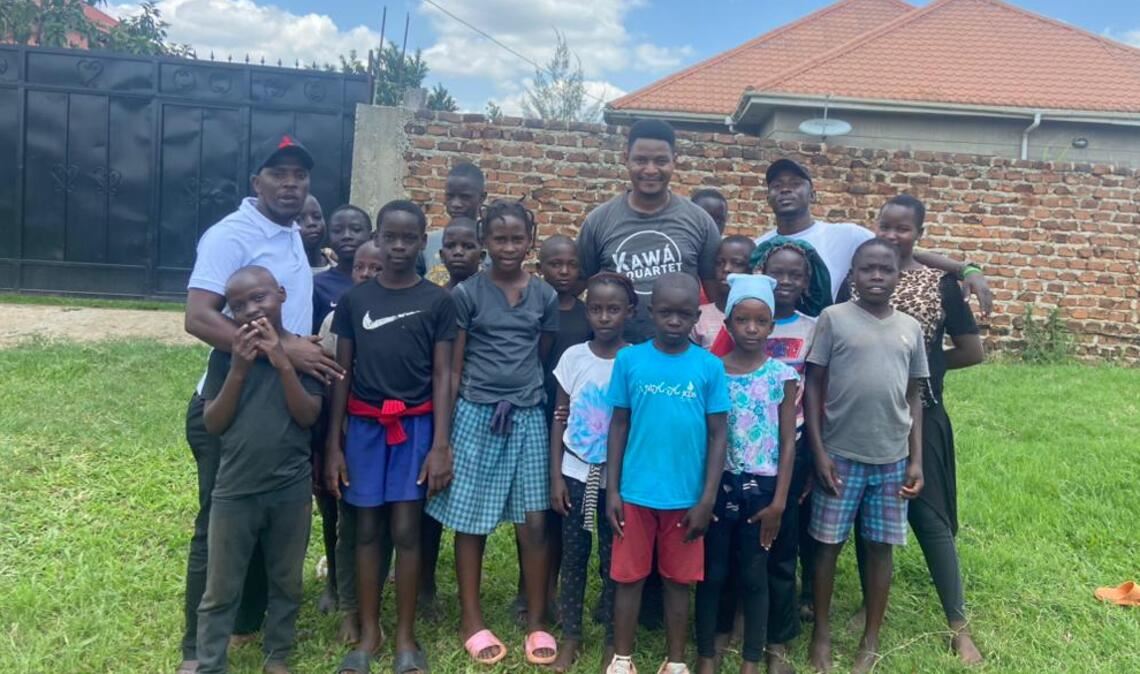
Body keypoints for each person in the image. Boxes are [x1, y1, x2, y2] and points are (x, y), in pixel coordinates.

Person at [179, 134, 342, 674]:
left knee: (270, 519)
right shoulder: (233, 234)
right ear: (257, 184)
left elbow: (288, 313)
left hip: (285, 404)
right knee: (219, 524)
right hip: (232, 403)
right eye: (279, 174)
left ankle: (250, 624)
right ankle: (195, 650)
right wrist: (285, 350)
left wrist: (291, 353)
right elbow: (199, 316)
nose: (291, 184)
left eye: (300, 175)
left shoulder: (290, 233)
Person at [845, 195, 986, 665]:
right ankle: (871, 605)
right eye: (885, 224)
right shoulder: (857, 279)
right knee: (872, 522)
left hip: (921, 414)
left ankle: (959, 624)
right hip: (864, 422)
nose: (892, 234)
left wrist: (918, 370)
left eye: (903, 228)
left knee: (930, 518)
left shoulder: (940, 285)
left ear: (918, 233)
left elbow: (972, 351)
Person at [425, 200, 560, 667]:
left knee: (535, 522)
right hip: (477, 416)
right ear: (484, 241)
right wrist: (444, 441)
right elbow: (455, 368)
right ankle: (471, 618)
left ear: (530, 240)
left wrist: (520, 392)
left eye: (517, 239)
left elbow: (539, 355)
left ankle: (538, 618)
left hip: (525, 416)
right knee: (471, 521)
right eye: (499, 239)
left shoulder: (543, 295)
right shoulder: (466, 295)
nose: (508, 247)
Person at [325, 200, 457, 674]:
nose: (399, 246)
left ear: (424, 242)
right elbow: (343, 373)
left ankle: (405, 636)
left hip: (416, 428)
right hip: (362, 429)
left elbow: (444, 375)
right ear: (378, 238)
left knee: (405, 529)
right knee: (365, 530)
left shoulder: (437, 301)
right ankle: (368, 632)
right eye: (390, 237)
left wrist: (441, 444)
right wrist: (334, 446)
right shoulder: (358, 301)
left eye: (409, 238)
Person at [803, 238, 929, 674]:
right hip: (840, 456)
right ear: (852, 275)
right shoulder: (833, 319)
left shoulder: (910, 328)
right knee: (827, 547)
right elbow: (813, 387)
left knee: (880, 549)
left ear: (898, 275)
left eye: (886, 269)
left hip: (892, 459)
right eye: (867, 269)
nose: (877, 276)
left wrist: (916, 461)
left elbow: (914, 396)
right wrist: (819, 453)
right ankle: (821, 634)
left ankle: (870, 638)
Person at [196, 265, 325, 674]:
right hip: (235, 489)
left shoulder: (307, 352)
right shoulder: (224, 357)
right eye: (237, 306)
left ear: (282, 295)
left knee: (286, 580)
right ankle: (211, 661)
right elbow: (213, 423)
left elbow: (308, 416)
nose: (251, 310)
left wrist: (283, 360)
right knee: (221, 587)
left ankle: (278, 654)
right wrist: (239, 368)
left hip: (290, 488)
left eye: (260, 298)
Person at [605, 273, 729, 674]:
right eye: (665, 313)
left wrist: (707, 497)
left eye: (683, 314)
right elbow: (619, 424)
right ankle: (622, 658)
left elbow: (718, 435)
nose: (674, 321)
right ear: (649, 312)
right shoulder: (629, 360)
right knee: (629, 578)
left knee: (679, 581)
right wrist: (612, 490)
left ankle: (675, 661)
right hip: (634, 493)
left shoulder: (709, 367)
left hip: (687, 498)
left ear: (696, 316)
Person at [695, 274, 798, 674]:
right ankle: (707, 654)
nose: (751, 329)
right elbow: (703, 438)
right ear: (728, 324)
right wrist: (702, 496)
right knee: (714, 572)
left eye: (760, 321)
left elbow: (789, 442)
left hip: (765, 490)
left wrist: (779, 503)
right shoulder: (711, 371)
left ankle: (751, 660)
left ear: (772, 326)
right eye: (742, 320)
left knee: (756, 575)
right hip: (718, 486)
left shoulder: (782, 376)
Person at [756, 158, 993, 314]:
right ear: (767, 196)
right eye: (776, 185)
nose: (785, 189)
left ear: (813, 195)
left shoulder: (846, 235)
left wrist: (966, 270)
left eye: (796, 183)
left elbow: (903, 253)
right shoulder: (759, 247)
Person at [548, 272, 637, 673]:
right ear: (587, 312)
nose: (604, 317)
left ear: (630, 313)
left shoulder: (636, 360)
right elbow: (558, 417)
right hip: (575, 475)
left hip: (619, 481)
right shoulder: (573, 358)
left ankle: (610, 640)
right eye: (596, 309)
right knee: (574, 556)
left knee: (613, 559)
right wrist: (555, 476)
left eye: (613, 309)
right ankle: (571, 635)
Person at [752, 238, 828, 673]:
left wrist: (816, 454)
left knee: (782, 546)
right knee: (743, 541)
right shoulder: (740, 321)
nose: (784, 281)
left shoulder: (812, 327)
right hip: (741, 447)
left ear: (806, 282)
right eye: (776, 272)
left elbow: (819, 392)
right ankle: (741, 619)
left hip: (791, 446)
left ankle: (778, 641)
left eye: (794, 275)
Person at [578, 119, 721, 344]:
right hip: (615, 354)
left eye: (661, 161)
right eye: (641, 160)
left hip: (679, 356)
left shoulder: (699, 222)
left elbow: (715, 297)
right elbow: (581, 286)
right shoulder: (599, 221)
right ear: (626, 159)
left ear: (674, 161)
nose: (651, 170)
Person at [419, 164, 488, 611]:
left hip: (477, 402)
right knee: (431, 489)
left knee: (465, 495)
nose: (458, 202)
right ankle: (423, 581)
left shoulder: (491, 271)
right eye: (451, 195)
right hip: (435, 395)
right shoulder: (434, 265)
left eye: (466, 196)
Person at [310, 204, 375, 631]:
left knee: (364, 511)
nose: (348, 236)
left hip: (374, 424)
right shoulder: (326, 295)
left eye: (358, 229)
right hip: (333, 415)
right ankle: (334, 578)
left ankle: (364, 581)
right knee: (331, 504)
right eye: (341, 229)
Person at [692, 235, 756, 355]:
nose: (726, 269)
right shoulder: (699, 317)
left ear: (752, 270)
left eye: (737, 263)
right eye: (719, 263)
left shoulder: (760, 318)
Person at [431, 216, 483, 288]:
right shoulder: (435, 297)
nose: (458, 252)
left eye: (468, 246)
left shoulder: (493, 296)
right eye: (450, 246)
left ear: (481, 256)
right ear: (442, 255)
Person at [300, 195, 332, 272]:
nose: (311, 223)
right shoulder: (279, 273)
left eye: (317, 217)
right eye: (298, 220)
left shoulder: (338, 268)